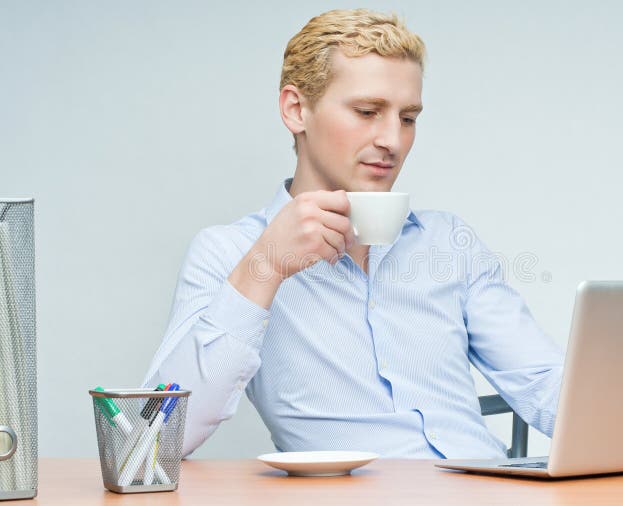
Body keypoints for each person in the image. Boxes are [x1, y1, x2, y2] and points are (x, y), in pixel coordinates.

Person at [144, 8, 564, 459]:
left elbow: (545, 383)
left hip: (490, 490)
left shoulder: (448, 242)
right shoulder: (229, 254)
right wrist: (263, 269)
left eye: (408, 118)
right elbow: (152, 443)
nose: (393, 141)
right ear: (295, 109)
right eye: (368, 111)